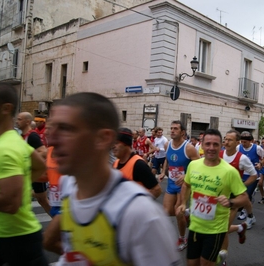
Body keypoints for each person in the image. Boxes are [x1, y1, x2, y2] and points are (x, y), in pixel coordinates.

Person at [44, 92, 181, 265]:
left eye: (66, 129)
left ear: (103, 138)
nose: (52, 139)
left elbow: (156, 189)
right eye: (52, 128)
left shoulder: (141, 214)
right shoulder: (68, 185)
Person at [0, 82, 48, 265]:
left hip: (18, 238)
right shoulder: (10, 139)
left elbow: (9, 204)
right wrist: (19, 185)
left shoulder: (6, 148)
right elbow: (39, 166)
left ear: (6, 108)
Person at [177, 129, 250, 266]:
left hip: (216, 229)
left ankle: (217, 259)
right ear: (202, 146)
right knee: (191, 263)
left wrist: (230, 202)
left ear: (221, 146)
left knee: (205, 263)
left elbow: (244, 198)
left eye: (215, 144)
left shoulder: (229, 171)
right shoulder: (193, 165)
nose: (211, 148)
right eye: (208, 144)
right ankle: (218, 258)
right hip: (195, 225)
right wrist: (182, 203)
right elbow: (186, 185)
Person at [158, 120, 200, 251]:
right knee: (166, 211)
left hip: (184, 184)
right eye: (171, 128)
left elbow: (198, 165)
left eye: (175, 128)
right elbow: (167, 159)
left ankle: (182, 238)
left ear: (182, 132)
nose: (172, 130)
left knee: (178, 212)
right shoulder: (167, 145)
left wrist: (186, 175)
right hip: (171, 182)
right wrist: (162, 171)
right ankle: (186, 216)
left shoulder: (189, 148)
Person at [218, 130, 258, 265]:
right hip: (217, 197)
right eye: (225, 139)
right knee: (216, 227)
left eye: (229, 140)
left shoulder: (242, 158)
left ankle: (223, 258)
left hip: (233, 199)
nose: (226, 142)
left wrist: (241, 186)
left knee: (223, 230)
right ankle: (240, 228)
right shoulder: (219, 154)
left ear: (237, 142)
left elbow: (254, 175)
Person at [16, 112, 51, 215]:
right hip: (27, 173)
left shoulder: (32, 136)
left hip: (36, 172)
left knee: (42, 200)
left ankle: (58, 223)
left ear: (27, 122)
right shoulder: (21, 136)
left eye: (19, 119)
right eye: (17, 119)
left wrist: (28, 162)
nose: (17, 122)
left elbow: (44, 152)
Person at [113, 127, 162, 198]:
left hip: (144, 158)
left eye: (116, 143)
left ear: (126, 144)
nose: (113, 146)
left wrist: (139, 204)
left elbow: (157, 190)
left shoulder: (139, 165)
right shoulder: (115, 163)